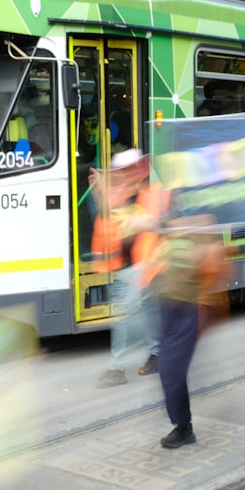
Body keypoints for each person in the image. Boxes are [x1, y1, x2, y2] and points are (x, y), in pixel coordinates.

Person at [91, 149, 162, 388]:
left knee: (123, 317)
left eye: (125, 170)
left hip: (141, 265)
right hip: (127, 265)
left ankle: (117, 368)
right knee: (148, 310)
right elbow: (108, 217)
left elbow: (141, 225)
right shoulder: (123, 191)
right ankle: (157, 353)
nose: (121, 175)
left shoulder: (147, 193)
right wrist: (99, 192)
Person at [155, 214, 226, 449]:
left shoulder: (204, 234)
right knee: (168, 370)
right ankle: (182, 424)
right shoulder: (178, 225)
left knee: (171, 370)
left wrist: (183, 229)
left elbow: (205, 259)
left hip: (189, 309)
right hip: (168, 307)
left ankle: (184, 428)